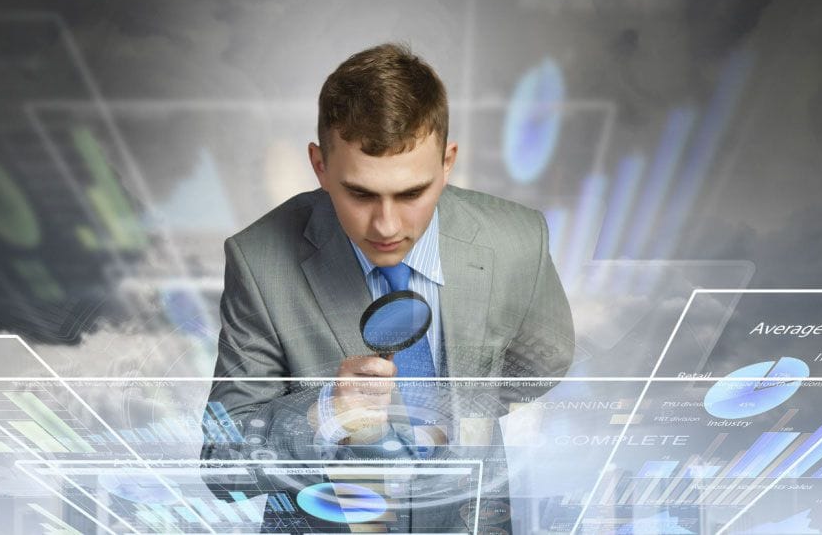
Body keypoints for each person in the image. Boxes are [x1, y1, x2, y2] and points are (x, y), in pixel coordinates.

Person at [205, 43, 574, 531]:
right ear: (319, 166)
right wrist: (324, 413)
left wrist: (462, 410)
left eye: (411, 193)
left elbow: (544, 361)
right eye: (359, 193)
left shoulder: (517, 240)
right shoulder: (259, 261)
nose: (386, 224)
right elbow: (222, 465)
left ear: (448, 162)